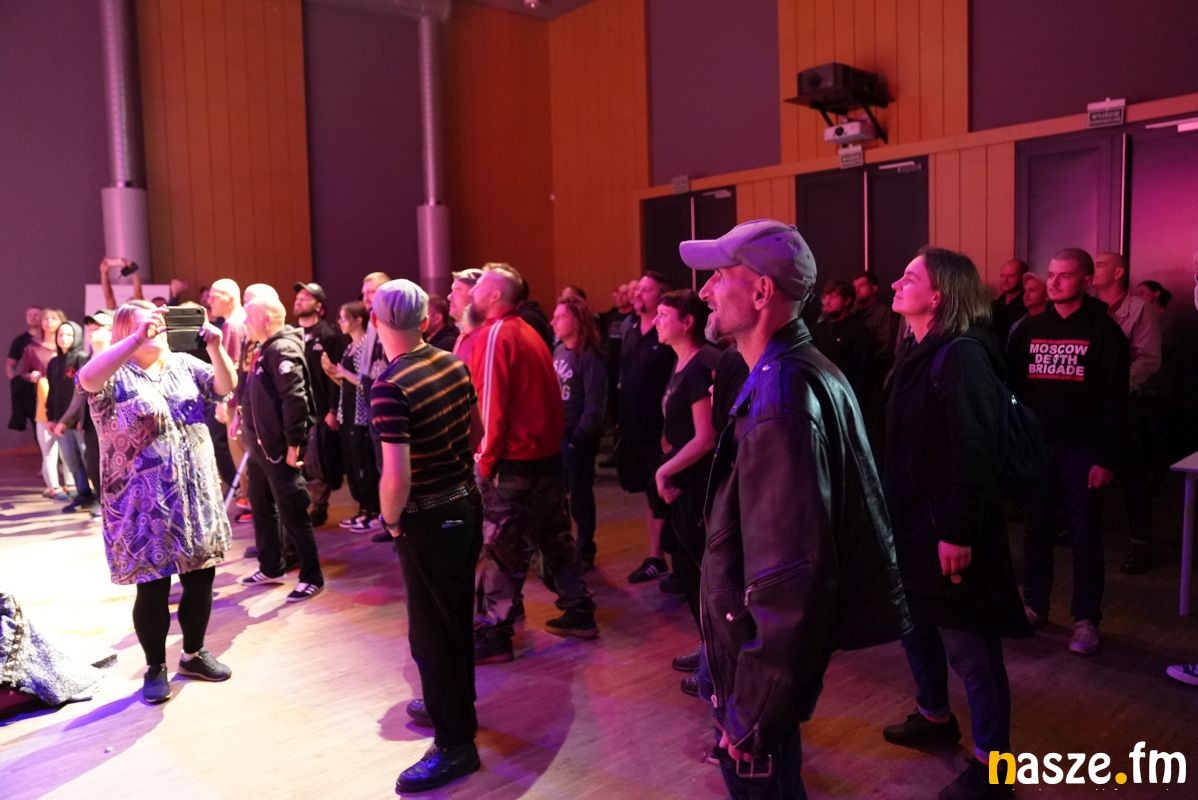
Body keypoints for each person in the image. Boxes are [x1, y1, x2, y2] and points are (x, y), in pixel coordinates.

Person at [682, 219, 909, 799]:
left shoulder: (782, 396)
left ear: (762, 292)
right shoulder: (793, 371)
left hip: (758, 676)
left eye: (719, 276)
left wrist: (754, 710)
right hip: (751, 663)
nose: (705, 291)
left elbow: (790, 578)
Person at [882, 247, 1031, 800]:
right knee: (917, 628)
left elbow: (972, 453)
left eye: (909, 277)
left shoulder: (961, 355)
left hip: (951, 532)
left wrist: (957, 532)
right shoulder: (917, 348)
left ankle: (996, 770)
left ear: (938, 295)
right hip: (915, 527)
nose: (896, 283)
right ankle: (935, 716)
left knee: (971, 652)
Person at [77, 300, 237, 704]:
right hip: (141, 503)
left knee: (200, 578)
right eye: (146, 321)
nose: (157, 326)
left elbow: (225, 386)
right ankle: (155, 666)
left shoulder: (183, 363)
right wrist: (135, 340)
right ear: (125, 329)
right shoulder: (114, 373)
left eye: (159, 320)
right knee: (152, 588)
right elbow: (86, 378)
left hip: (194, 495)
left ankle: (194, 653)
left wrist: (216, 347)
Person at [368, 279, 484, 793]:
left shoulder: (391, 385)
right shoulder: (453, 363)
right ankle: (457, 707)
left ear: (376, 322)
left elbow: (397, 477)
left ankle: (455, 744)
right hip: (465, 505)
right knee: (455, 617)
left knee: (430, 635)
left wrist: (391, 521)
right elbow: (478, 434)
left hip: (429, 519)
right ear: (425, 320)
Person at [469, 265, 597, 663]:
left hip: (515, 463)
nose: (472, 290)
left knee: (500, 550)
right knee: (555, 539)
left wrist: (484, 461)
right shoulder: (529, 333)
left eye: (479, 284)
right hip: (546, 461)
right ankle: (579, 611)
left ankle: (494, 635)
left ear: (495, 295)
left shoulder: (498, 334)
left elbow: (490, 406)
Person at [1007, 248, 1129, 656]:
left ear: (1087, 280)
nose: (1055, 282)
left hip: (1084, 450)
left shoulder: (1105, 333)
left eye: (1066, 275)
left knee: (1084, 534)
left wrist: (1107, 458)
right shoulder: (1028, 329)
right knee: (1035, 529)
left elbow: (1115, 401)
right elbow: (1013, 392)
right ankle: (1034, 605)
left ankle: (1086, 619)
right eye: (1052, 274)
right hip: (1038, 448)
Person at [237, 296, 325, 602]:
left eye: (249, 317)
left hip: (278, 449)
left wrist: (293, 445)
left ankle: (312, 576)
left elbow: (295, 400)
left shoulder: (282, 348)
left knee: (293, 511)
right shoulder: (264, 348)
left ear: (264, 319)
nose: (244, 323)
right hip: (261, 449)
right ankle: (271, 566)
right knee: (261, 506)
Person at [652, 289, 718, 694]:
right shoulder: (680, 365)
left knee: (701, 572)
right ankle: (709, 647)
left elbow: (705, 437)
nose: (656, 321)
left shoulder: (697, 368)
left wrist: (666, 469)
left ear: (687, 322)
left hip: (694, 484)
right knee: (689, 572)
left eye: (664, 315)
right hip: (681, 479)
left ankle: (716, 659)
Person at [1093, 252, 1162, 574]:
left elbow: (1149, 359)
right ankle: (1084, 533)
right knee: (1088, 467)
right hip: (1091, 404)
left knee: (1132, 473)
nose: (1094, 270)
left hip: (1124, 401)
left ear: (1118, 272)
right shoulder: (1091, 307)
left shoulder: (1139, 308)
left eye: (1100, 265)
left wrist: (1114, 385)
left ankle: (1141, 543)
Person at [616, 272, 677, 584]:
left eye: (646, 289)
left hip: (660, 429)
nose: (637, 294)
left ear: (661, 294)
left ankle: (670, 558)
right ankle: (657, 555)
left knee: (664, 492)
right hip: (633, 426)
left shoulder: (666, 332)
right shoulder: (630, 329)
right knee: (649, 492)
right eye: (637, 288)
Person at [550, 295, 607, 569]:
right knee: (558, 496)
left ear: (577, 320)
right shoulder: (559, 350)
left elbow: (594, 404)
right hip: (558, 435)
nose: (554, 322)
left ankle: (585, 550)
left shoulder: (590, 357)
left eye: (561, 317)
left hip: (577, 437)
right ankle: (565, 548)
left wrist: (578, 438)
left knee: (581, 496)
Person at [292, 281, 347, 527]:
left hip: (320, 410)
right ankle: (299, 504)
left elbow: (336, 376)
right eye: (298, 297)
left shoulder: (330, 336)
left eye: (306, 297)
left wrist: (334, 409)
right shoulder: (290, 334)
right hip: (295, 409)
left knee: (317, 462)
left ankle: (319, 505)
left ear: (319, 306)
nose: (299, 301)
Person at [323, 300, 381, 532]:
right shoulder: (349, 347)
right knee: (353, 465)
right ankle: (362, 508)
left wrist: (342, 372)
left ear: (358, 320)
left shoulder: (367, 345)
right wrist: (331, 372)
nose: (340, 322)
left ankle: (373, 510)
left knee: (364, 464)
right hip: (346, 412)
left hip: (361, 414)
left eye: (344, 318)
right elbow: (346, 382)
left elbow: (366, 382)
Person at [16, 308, 70, 497]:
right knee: (49, 447)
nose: (48, 321)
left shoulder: (68, 348)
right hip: (43, 397)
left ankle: (72, 484)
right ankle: (53, 487)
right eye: (46, 318)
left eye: (53, 318)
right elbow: (23, 372)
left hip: (65, 399)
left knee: (68, 447)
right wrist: (32, 376)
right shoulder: (32, 347)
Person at [46, 320, 95, 509]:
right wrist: (51, 417)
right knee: (71, 460)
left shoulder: (81, 358)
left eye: (68, 334)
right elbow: (52, 392)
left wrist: (79, 419)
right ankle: (83, 494)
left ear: (77, 337)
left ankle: (99, 496)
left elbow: (82, 394)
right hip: (60, 420)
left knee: (87, 459)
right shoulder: (54, 362)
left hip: (77, 422)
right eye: (60, 334)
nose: (64, 338)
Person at [811, 279, 875, 404]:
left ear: (847, 300)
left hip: (848, 398)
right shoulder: (817, 330)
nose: (827, 301)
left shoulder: (859, 331)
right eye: (825, 296)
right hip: (820, 397)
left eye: (833, 296)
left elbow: (865, 374)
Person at [7, 305, 41, 433]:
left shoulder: (50, 339)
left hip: (46, 387)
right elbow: (10, 365)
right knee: (36, 427)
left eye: (36, 314)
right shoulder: (20, 341)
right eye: (30, 315)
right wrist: (16, 382)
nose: (33, 317)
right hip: (28, 391)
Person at [447, 268, 484, 362]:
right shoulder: (463, 336)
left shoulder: (484, 339)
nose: (449, 297)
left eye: (457, 291)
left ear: (475, 295)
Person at [989, 259, 1028, 344]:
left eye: (1011, 276)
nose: (1004, 280)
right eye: (1002, 275)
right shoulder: (994, 306)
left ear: (1023, 277)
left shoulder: (1027, 307)